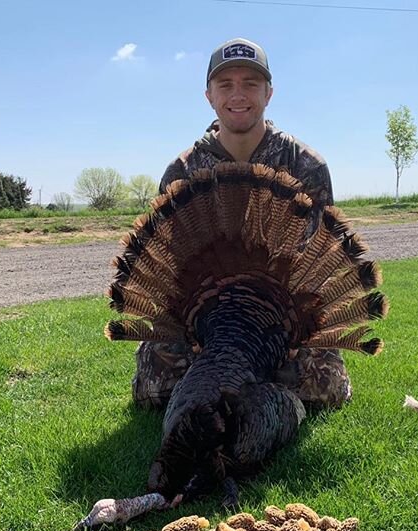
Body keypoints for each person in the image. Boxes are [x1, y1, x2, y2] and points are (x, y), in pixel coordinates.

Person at [132, 37, 352, 411]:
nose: (238, 94)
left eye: (250, 83)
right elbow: (173, 270)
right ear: (209, 96)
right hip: (205, 324)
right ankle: (238, 381)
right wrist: (195, 331)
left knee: (325, 392)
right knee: (153, 391)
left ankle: (243, 387)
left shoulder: (304, 165)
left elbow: (316, 261)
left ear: (269, 93)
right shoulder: (183, 171)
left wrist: (298, 327)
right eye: (226, 84)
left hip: (281, 321)